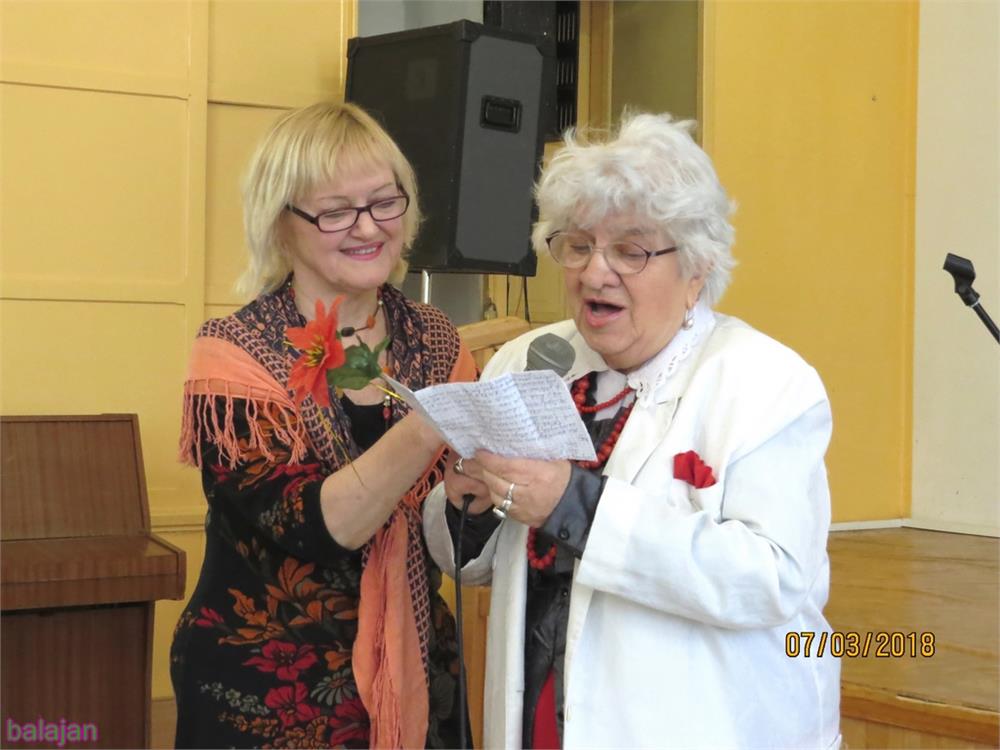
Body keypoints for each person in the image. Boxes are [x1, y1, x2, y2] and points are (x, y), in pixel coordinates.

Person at [424, 112, 841, 749]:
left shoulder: (765, 382)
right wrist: (470, 506)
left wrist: (572, 505)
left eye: (630, 251)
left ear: (697, 268)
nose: (595, 273)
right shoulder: (528, 362)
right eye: (578, 245)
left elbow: (772, 579)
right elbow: (476, 561)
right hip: (539, 712)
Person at [171, 101, 476, 749]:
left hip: (420, 674)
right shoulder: (234, 353)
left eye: (384, 203)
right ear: (280, 225)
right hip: (270, 690)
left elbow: (459, 530)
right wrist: (431, 424)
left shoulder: (439, 341)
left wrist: (487, 492)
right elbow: (316, 526)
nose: (367, 227)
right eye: (335, 211)